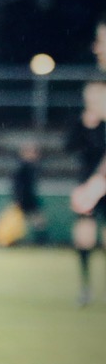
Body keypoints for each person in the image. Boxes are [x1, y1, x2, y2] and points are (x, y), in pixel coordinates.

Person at [66, 81, 106, 306]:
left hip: (101, 185)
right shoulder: (80, 122)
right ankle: (86, 288)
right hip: (87, 187)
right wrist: (85, 126)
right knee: (84, 236)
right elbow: (69, 147)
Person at [10, 141, 47, 245]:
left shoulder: (30, 167)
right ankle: (38, 242)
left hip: (29, 198)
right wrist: (18, 199)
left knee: (38, 221)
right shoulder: (22, 168)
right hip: (25, 199)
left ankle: (39, 242)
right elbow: (17, 185)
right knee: (32, 222)